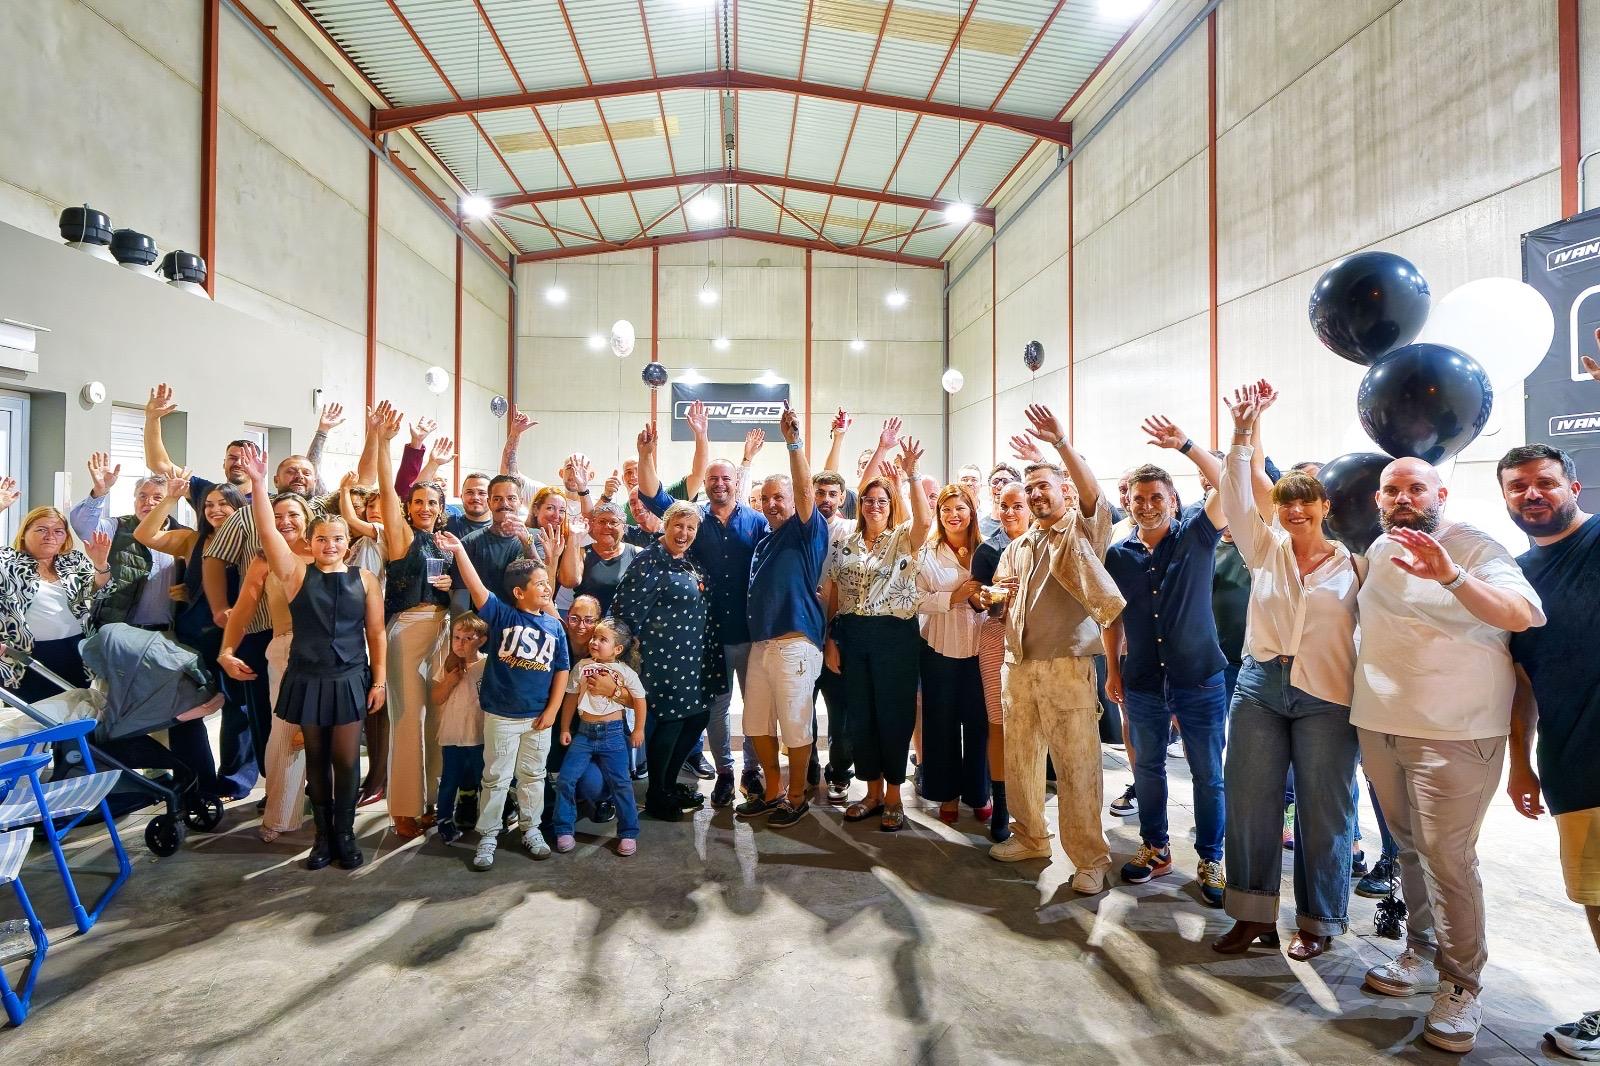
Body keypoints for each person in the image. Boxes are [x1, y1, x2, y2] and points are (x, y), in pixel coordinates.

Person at [1354, 457, 1543, 1054]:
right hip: (1381, 724)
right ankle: (1420, 949)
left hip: (1457, 733)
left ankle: (1462, 985)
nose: (1403, 498)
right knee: (1409, 848)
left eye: (1417, 488)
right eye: (1392, 490)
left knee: (1448, 859)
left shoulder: (1476, 547)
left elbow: (1523, 613)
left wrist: (1452, 577)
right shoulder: (1380, 548)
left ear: (1441, 495)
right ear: (1378, 499)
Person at [1210, 385, 1362, 962]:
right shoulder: (1263, 549)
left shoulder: (1354, 562)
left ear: (1326, 507)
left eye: (1308, 502)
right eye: (1287, 503)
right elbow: (1237, 492)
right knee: (1250, 803)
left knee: (1325, 810)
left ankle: (1319, 921)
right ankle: (1252, 917)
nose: (1297, 511)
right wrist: (1241, 433)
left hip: (1328, 693)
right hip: (1260, 688)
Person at [983, 405, 1123, 894]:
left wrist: (1060, 444)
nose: (1037, 494)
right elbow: (1001, 594)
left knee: (1077, 766)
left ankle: (1089, 859)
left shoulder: (1081, 533)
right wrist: (992, 597)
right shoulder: (1018, 547)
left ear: (1064, 490)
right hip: (1018, 666)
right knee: (1021, 761)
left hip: (1067, 665)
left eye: (1045, 486)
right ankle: (1030, 837)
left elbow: (1094, 497)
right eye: (1030, 489)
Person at [1497, 443, 1600, 1060]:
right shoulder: (1514, 580)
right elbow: (1522, 684)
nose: (1532, 494)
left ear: (1574, 488)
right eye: (1518, 486)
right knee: (1597, 896)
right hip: (1572, 762)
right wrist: (1521, 763)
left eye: (1545, 482)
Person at [1103, 414, 1230, 905]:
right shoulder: (1119, 555)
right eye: (1138, 499)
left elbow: (1229, 485)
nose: (1148, 506)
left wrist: (1187, 445)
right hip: (1142, 682)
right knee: (1148, 770)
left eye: (1157, 497)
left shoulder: (1198, 535)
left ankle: (1211, 857)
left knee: (1208, 775)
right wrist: (1113, 670)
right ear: (1127, 503)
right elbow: (1112, 618)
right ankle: (1155, 848)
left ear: (1174, 501)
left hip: (1199, 679)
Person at [244, 445, 386, 872]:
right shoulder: (294, 573)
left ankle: (346, 835)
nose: (329, 545)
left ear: (348, 543)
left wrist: (378, 681)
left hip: (350, 677)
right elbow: (268, 531)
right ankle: (322, 839)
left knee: (347, 760)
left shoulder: (365, 579)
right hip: (307, 678)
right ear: (310, 541)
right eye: (321, 538)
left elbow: (376, 632)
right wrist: (257, 483)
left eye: (337, 539)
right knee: (317, 760)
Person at [636, 422, 766, 807]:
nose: (719, 484)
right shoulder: (693, 517)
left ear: (736, 482)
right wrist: (645, 455)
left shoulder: (756, 521)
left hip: (751, 633)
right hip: (709, 637)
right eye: (713, 478)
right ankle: (725, 772)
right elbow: (652, 494)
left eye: (726, 478)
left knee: (755, 708)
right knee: (717, 710)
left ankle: (752, 770)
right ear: (704, 484)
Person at [435, 532, 569, 871]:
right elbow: (477, 587)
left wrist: (553, 710)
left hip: (538, 718)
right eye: (539, 583)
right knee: (495, 777)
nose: (546, 588)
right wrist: (459, 551)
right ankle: (489, 834)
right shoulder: (503, 616)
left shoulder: (555, 627)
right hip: (502, 717)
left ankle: (531, 828)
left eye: (547, 582)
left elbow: (562, 670)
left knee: (533, 775)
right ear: (519, 593)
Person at [824, 436, 931, 832]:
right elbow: (835, 593)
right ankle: (870, 793)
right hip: (854, 635)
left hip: (895, 635)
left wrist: (912, 476)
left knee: (894, 715)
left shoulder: (904, 537)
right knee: (861, 716)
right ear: (860, 505)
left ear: (891, 504)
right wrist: (830, 639)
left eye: (881, 501)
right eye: (868, 500)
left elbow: (925, 522)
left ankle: (893, 796)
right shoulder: (845, 544)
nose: (874, 506)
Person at [733, 406, 829, 828]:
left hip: (795, 644)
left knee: (795, 724)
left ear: (794, 501)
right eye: (766, 498)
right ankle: (771, 791)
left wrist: (794, 444)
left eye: (780, 497)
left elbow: (807, 491)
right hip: (762, 646)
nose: (772, 504)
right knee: (756, 723)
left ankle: (796, 795)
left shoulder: (805, 531)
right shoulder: (763, 542)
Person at [129, 468, 244, 799]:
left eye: (223, 504)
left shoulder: (252, 543)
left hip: (238, 636)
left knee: (239, 712)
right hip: (194, 635)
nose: (215, 510)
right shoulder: (193, 540)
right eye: (208, 504)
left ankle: (234, 781)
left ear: (239, 508)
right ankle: (195, 781)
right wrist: (170, 497)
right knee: (185, 710)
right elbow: (145, 534)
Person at [371, 402, 456, 838]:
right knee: (407, 719)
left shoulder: (444, 541)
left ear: (441, 507)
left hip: (443, 631)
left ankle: (433, 801)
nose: (424, 507)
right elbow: (388, 492)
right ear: (409, 507)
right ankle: (403, 806)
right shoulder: (402, 534)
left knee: (437, 720)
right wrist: (383, 443)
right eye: (418, 501)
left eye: (431, 502)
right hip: (407, 631)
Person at [611, 500, 726, 821]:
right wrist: (625, 657)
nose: (684, 533)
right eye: (678, 525)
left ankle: (670, 783)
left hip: (696, 658)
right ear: (665, 524)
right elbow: (623, 609)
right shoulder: (649, 560)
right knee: (672, 721)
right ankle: (657, 793)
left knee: (697, 719)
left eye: (691, 528)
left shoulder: (689, 560)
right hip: (662, 658)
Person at [218, 492, 316, 842]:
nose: (285, 522)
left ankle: (332, 813)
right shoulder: (263, 560)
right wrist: (226, 650)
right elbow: (243, 608)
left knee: (329, 734)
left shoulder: (326, 550)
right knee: (284, 735)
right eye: (277, 516)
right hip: (285, 651)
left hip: (331, 655)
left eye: (293, 514)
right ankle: (281, 814)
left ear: (307, 518)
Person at [915, 483, 989, 827]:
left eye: (960, 508)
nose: (953, 515)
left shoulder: (987, 549)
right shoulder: (927, 552)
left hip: (980, 648)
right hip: (938, 646)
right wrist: (954, 597)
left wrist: (984, 598)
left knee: (979, 725)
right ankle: (947, 793)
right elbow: (915, 599)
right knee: (940, 723)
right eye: (946, 509)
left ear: (972, 512)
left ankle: (979, 792)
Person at [0, 486, 112, 702]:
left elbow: (100, 591)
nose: (50, 536)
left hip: (75, 649)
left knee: (74, 708)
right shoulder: (7, 561)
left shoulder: (73, 560)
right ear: (24, 533)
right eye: (41, 529)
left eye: (58, 531)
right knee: (35, 714)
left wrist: (100, 564)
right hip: (26, 654)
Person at [553, 617, 645, 856]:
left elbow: (639, 700)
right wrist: (565, 728)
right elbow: (571, 698)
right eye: (594, 637)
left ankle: (628, 832)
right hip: (584, 734)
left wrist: (638, 729)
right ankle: (563, 828)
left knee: (621, 783)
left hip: (613, 735)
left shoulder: (625, 671)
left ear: (617, 649)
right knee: (565, 780)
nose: (594, 642)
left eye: (602, 639)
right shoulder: (582, 666)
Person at [971, 480, 1028, 842]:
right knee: (998, 723)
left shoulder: (1045, 543)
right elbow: (978, 600)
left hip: (1036, 641)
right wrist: (988, 597)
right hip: (996, 639)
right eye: (1004, 505)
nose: (1009, 513)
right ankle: (1002, 805)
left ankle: (1029, 805)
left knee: (1031, 725)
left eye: (1017, 505)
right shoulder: (989, 548)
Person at [69, 454, 179, 632]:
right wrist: (99, 491)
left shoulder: (180, 534)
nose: (148, 502)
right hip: (118, 631)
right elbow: (83, 526)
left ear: (169, 502)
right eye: (142, 496)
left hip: (165, 634)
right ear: (134, 500)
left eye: (158, 497)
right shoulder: (116, 527)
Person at [812, 470, 856, 802]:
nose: (825, 499)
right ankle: (808, 766)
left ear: (842, 497)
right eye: (820, 493)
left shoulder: (851, 531)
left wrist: (832, 637)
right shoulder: (799, 529)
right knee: (802, 710)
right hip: (802, 632)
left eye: (832, 493)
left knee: (841, 713)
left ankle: (840, 772)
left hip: (837, 633)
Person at [429, 612, 488, 844]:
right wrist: (449, 681)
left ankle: (491, 822)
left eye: (467, 638)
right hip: (452, 735)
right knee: (449, 780)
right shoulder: (448, 665)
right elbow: (436, 698)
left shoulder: (486, 664)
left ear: (481, 640)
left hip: (479, 735)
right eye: (456, 638)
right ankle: (444, 822)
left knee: (484, 778)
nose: (460, 643)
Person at [571, 501, 642, 615]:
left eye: (613, 522)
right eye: (602, 522)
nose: (607, 526)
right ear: (593, 525)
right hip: (588, 622)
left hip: (623, 623)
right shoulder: (582, 553)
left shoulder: (637, 554)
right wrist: (573, 537)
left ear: (624, 527)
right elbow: (569, 581)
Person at [980, 464, 1020, 538]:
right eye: (995, 482)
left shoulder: (1025, 523)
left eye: (1005, 482)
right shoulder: (980, 526)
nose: (999, 487)